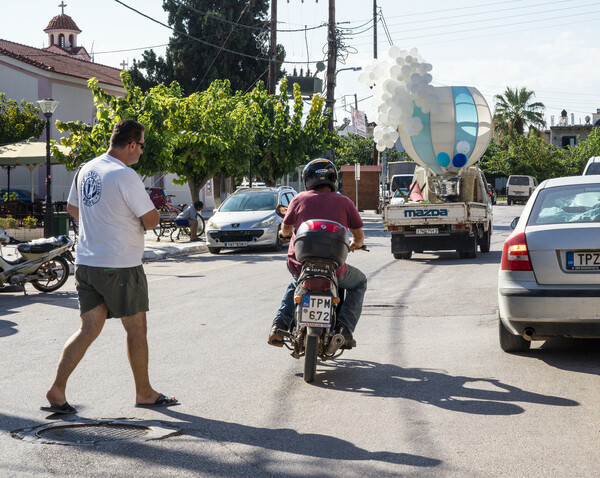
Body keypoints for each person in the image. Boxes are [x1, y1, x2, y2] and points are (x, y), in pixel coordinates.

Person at [42, 119, 178, 415]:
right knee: (136, 328)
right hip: (120, 265)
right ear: (131, 144)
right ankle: (144, 392)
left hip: (87, 262)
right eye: (141, 146)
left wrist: (100, 222)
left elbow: (73, 208)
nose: (142, 151)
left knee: (87, 329)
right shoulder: (125, 175)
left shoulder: (86, 169)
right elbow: (152, 219)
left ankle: (57, 388)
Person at [268, 158, 367, 348]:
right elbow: (359, 236)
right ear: (333, 179)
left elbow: (286, 228)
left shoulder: (299, 199)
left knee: (296, 281)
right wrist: (356, 244)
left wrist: (283, 234)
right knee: (359, 283)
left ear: (307, 179)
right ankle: (344, 329)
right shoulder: (345, 201)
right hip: (335, 270)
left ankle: (279, 325)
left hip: (301, 266)